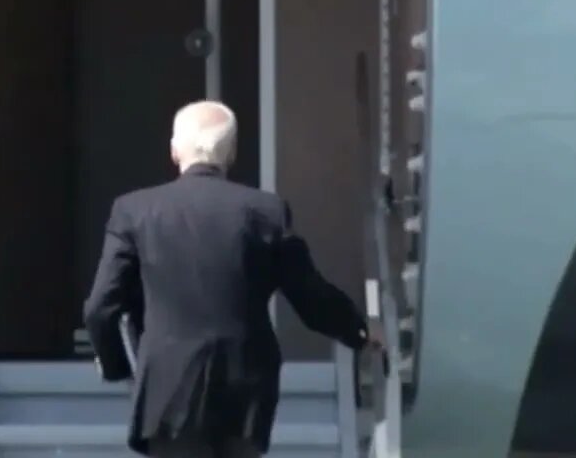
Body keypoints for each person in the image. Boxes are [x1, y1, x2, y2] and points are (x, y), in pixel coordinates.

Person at [82, 100, 373, 457]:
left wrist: (117, 367)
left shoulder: (134, 211)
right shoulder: (266, 211)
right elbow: (310, 296)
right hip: (244, 390)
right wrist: (359, 332)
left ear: (175, 150)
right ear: (231, 152)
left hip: (167, 390)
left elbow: (100, 308)